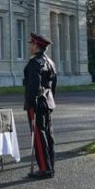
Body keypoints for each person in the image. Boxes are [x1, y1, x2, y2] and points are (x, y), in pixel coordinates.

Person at [24, 33, 57, 179]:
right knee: (48, 135)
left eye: (32, 44)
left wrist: (31, 103)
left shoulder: (34, 63)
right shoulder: (50, 62)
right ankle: (50, 166)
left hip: (36, 103)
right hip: (48, 102)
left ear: (37, 45)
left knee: (39, 135)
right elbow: (53, 85)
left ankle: (44, 168)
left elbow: (33, 87)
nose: (30, 46)